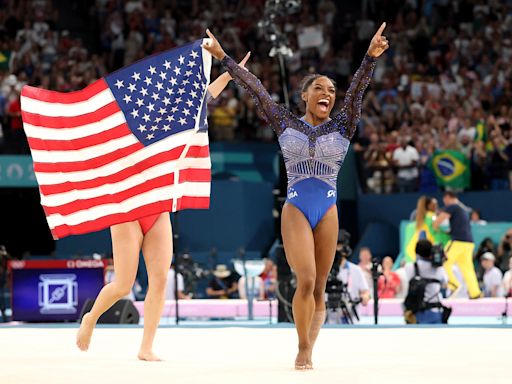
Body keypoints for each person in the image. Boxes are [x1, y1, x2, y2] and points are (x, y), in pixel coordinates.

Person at [201, 23, 389, 369]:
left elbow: (357, 91)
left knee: (319, 287)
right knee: (304, 280)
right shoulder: (285, 122)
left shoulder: (344, 125)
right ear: (305, 95)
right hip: (297, 207)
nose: (327, 94)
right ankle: (302, 348)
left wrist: (370, 58)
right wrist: (223, 57)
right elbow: (257, 90)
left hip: (328, 206)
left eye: (331, 90)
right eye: (319, 88)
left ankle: (311, 348)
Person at [76, 52, 251, 361]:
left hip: (157, 209)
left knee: (160, 279)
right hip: (128, 209)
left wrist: (230, 73)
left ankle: (146, 347)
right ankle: (91, 318)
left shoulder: (169, 124)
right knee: (123, 284)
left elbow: (201, 100)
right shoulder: (122, 126)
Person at [433, 191, 481, 299]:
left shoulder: (452, 207)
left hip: (458, 241)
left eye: (444, 199)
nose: (444, 202)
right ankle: (475, 292)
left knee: (444, 261)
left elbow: (440, 220)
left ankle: (453, 284)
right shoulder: (463, 209)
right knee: (467, 268)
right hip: (469, 243)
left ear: (448, 197)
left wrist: (435, 225)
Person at [404, 240, 448, 324]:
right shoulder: (439, 269)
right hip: (436, 311)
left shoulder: (410, 267)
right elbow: (444, 284)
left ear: (416, 252)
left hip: (417, 313)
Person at [335, 242, 370, 323]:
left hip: (351, 318)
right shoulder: (324, 270)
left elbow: (365, 292)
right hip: (329, 320)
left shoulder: (356, 270)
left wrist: (364, 297)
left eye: (340, 251)